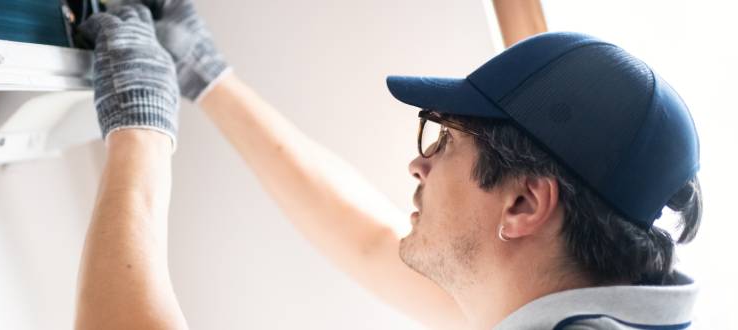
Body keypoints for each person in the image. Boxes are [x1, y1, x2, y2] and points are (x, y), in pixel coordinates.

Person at [73, 2, 703, 329]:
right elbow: (373, 242)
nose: (417, 163)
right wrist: (210, 80)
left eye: (444, 140)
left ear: (523, 204)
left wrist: (138, 133)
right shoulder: (587, 299)